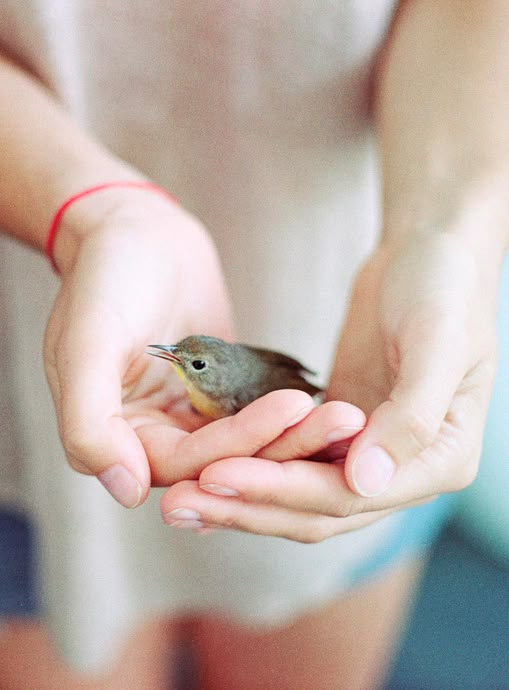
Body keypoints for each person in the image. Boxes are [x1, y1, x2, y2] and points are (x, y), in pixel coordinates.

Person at [0, 1, 507, 688]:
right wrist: (88, 213)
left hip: (353, 257)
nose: (179, 365)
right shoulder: (195, 380)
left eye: (192, 362)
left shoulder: (226, 393)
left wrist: (443, 233)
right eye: (182, 359)